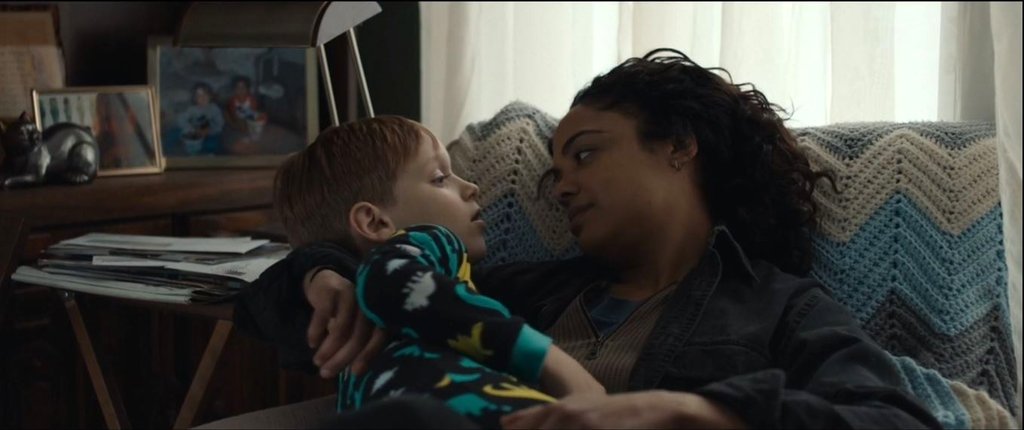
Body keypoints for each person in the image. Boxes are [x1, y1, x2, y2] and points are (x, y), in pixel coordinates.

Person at [236, 48, 942, 429]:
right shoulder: (520, 289)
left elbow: (893, 416)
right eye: (556, 170)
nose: (563, 185)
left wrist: (697, 411)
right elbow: (271, 311)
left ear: (678, 147)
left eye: (586, 154)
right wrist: (321, 272)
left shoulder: (778, 306)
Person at [267, 116, 604, 428]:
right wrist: (545, 358)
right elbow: (388, 281)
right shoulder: (429, 240)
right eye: (440, 178)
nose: (471, 187)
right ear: (375, 222)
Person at [175, 82, 224, 155]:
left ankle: (208, 155)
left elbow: (220, 125)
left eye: (205, 95)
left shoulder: (214, 109)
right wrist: (191, 128)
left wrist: (209, 131)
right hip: (195, 133)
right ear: (194, 99)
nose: (202, 98)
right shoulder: (192, 109)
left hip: (210, 134)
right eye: (199, 96)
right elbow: (181, 120)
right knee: (176, 135)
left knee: (212, 145)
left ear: (210, 96)